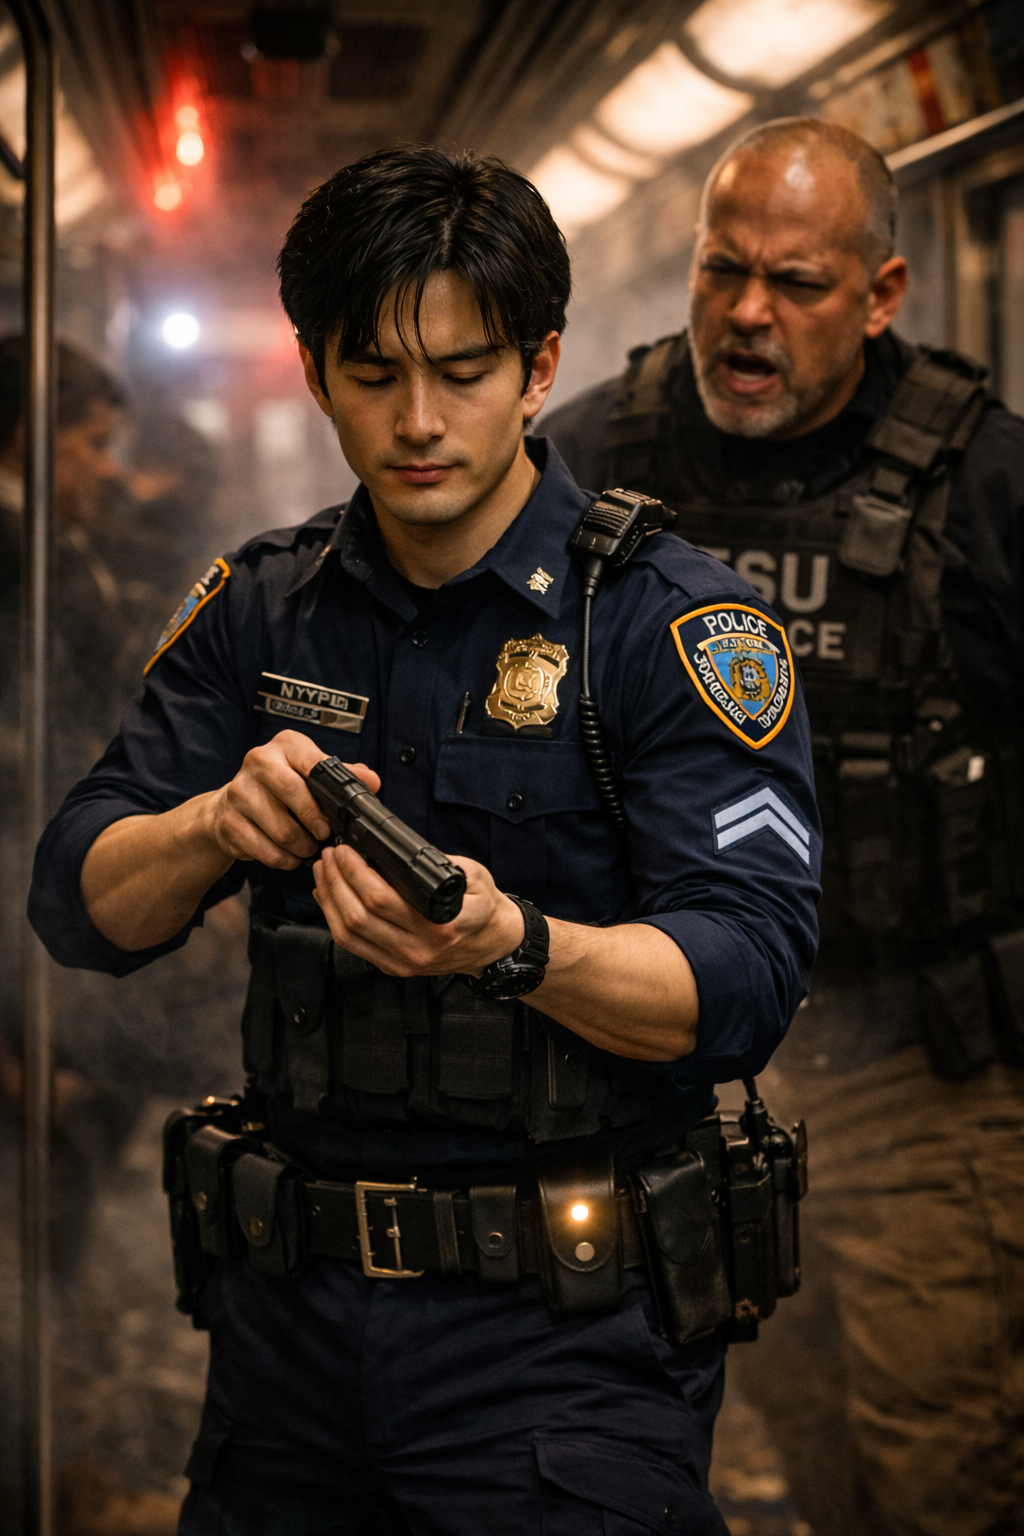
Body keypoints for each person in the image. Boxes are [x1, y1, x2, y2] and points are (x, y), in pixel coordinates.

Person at [29, 146, 820, 1534]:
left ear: (537, 366)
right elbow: (77, 903)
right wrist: (214, 823)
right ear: (315, 370)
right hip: (287, 1333)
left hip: (565, 1338)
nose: (419, 420)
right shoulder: (263, 610)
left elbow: (748, 975)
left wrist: (517, 946)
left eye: (463, 371)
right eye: (375, 374)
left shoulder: (663, 627)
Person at [543, 117, 1024, 1536]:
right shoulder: (590, 464)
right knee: (799, 1436)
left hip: (916, 1066)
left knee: (942, 1461)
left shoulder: (988, 488)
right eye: (721, 271)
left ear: (881, 296)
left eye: (797, 285)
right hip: (671, 1054)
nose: (748, 315)